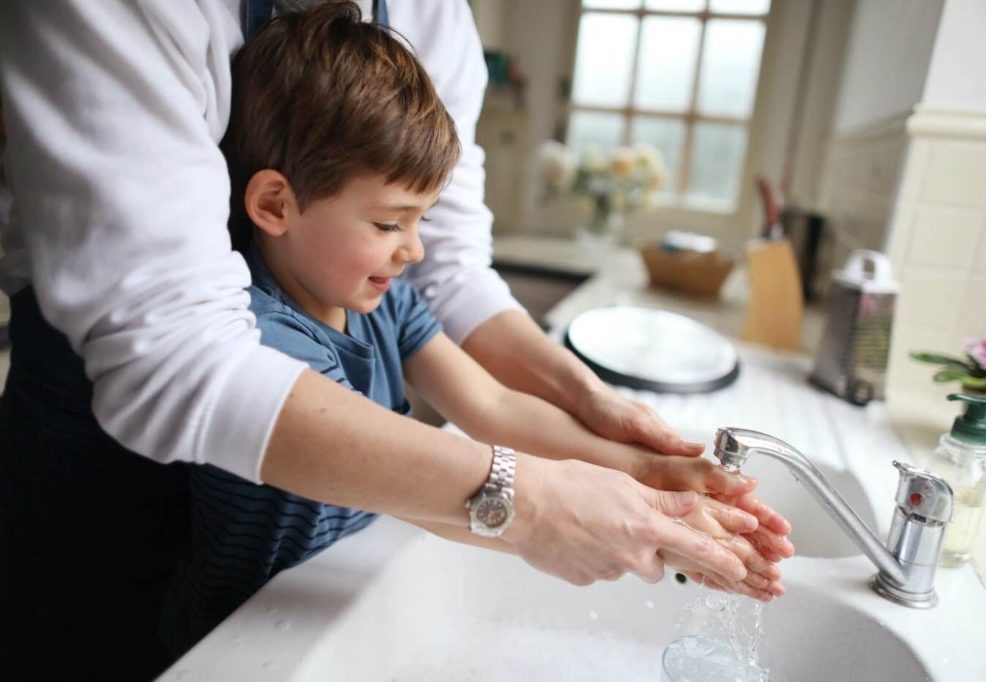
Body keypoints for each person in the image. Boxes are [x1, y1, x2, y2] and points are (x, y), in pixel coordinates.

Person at [0, 1, 792, 679]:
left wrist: (649, 476)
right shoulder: (269, 347)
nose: (413, 247)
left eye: (417, 220)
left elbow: (488, 402)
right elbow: (437, 505)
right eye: (388, 225)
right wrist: (553, 512)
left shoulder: (385, 300)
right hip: (225, 628)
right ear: (275, 203)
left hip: (323, 598)